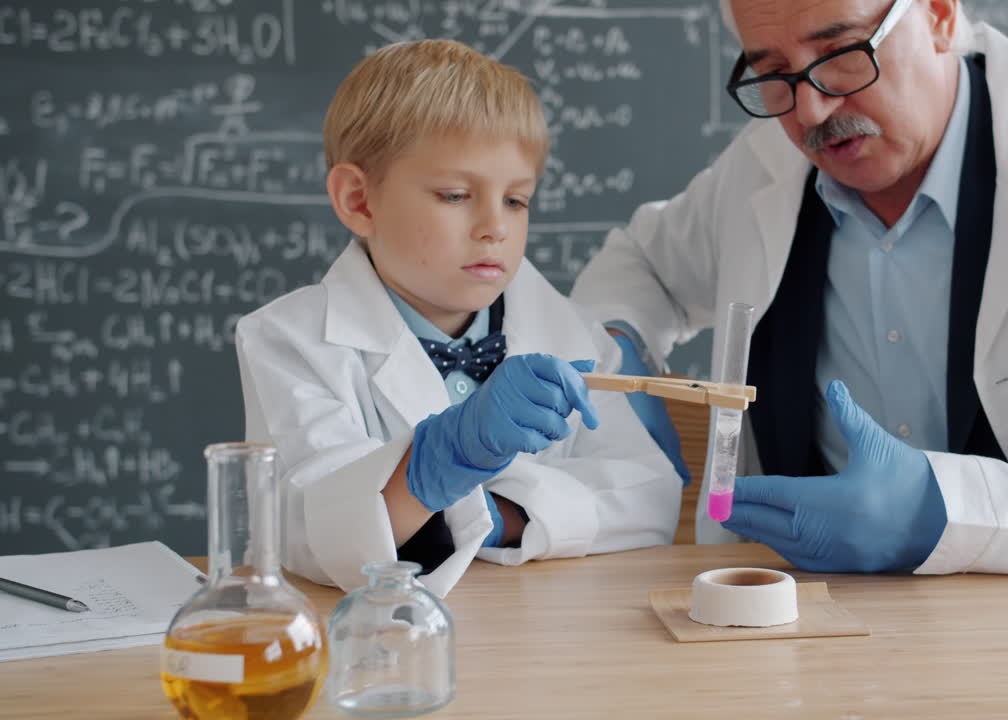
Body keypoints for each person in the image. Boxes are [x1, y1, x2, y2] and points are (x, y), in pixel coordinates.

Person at [572, 0, 1008, 575]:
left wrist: (953, 510)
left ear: (939, 14)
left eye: (841, 52)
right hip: (810, 631)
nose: (810, 112)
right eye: (774, 73)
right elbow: (638, 263)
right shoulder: (760, 172)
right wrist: (620, 347)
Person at [236, 39, 681, 595]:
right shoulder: (289, 341)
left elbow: (649, 501)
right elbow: (305, 533)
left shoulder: (576, 336)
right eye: (454, 195)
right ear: (359, 201)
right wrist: (437, 461)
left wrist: (491, 517)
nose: (495, 227)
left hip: (547, 627)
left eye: (516, 200)